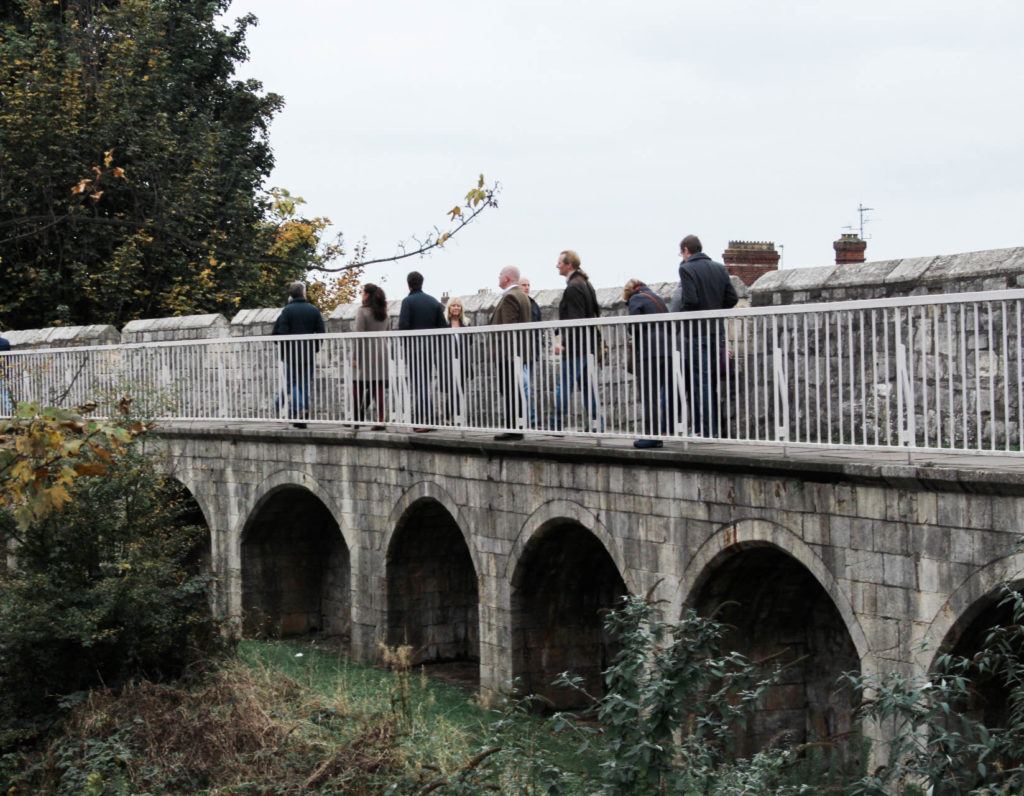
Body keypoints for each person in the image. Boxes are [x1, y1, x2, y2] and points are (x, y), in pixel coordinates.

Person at [678, 234, 738, 437]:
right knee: (712, 381)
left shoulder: (686, 268)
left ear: (686, 250)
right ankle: (713, 430)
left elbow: (691, 301)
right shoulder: (719, 268)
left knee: (699, 381)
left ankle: (704, 430)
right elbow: (732, 298)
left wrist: (684, 314)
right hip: (717, 330)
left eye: (681, 252)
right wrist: (715, 308)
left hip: (697, 332)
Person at [553, 250, 601, 432]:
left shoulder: (573, 287)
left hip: (576, 346)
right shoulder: (587, 284)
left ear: (568, 265)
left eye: (559, 263)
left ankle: (556, 425)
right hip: (588, 345)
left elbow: (575, 319)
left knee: (564, 385)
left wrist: (563, 342)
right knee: (588, 387)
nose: (557, 266)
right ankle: (597, 425)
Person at [624, 279, 672, 449]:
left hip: (649, 352)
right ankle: (659, 434)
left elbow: (634, 327)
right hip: (667, 350)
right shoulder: (657, 298)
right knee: (661, 392)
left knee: (648, 395)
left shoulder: (636, 299)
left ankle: (651, 436)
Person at [398, 271, 448, 430]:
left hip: (414, 350)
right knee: (424, 383)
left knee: (419, 385)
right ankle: (422, 419)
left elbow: (404, 326)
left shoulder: (408, 302)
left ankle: (428, 420)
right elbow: (443, 328)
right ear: (422, 282)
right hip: (430, 349)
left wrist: (405, 345)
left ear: (408, 283)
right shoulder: (433, 302)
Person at [272, 282, 325, 428]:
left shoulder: (287, 311)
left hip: (291, 355)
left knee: (293, 384)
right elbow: (321, 332)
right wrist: (314, 348)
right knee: (304, 385)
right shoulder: (314, 310)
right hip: (307, 354)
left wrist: (285, 351)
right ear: (303, 292)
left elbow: (281, 333)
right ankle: (301, 417)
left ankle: (297, 409)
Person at [490, 265, 532, 441]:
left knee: (509, 390)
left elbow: (508, 329)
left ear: (507, 278)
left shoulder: (510, 297)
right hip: (519, 353)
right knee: (516, 390)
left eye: (500, 275)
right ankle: (518, 426)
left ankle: (513, 427)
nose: (498, 277)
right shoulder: (523, 296)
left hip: (508, 354)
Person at [353, 283, 390, 430]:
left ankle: (356, 419)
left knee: (358, 385)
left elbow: (359, 336)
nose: (361, 294)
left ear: (367, 295)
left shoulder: (362, 312)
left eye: (362, 292)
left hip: (366, 352)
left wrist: (355, 357)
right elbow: (388, 330)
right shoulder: (384, 312)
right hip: (382, 351)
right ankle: (381, 419)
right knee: (378, 385)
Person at [518, 277, 542, 426]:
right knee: (524, 386)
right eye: (523, 285)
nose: (526, 287)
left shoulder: (534, 304)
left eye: (528, 285)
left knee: (527, 386)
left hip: (532, 350)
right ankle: (530, 419)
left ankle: (530, 418)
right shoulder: (518, 303)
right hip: (521, 351)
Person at [445, 296, 472, 424]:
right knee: (451, 389)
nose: (456, 308)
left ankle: (458, 416)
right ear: (449, 308)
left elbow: (469, 342)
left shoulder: (466, 323)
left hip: (462, 362)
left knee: (460, 388)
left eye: (458, 305)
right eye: (453, 305)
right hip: (448, 362)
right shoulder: (443, 324)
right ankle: (449, 417)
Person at [0, 333, 12, 417]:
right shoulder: (5, 342)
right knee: (5, 394)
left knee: (5, 393)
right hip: (3, 371)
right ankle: (9, 412)